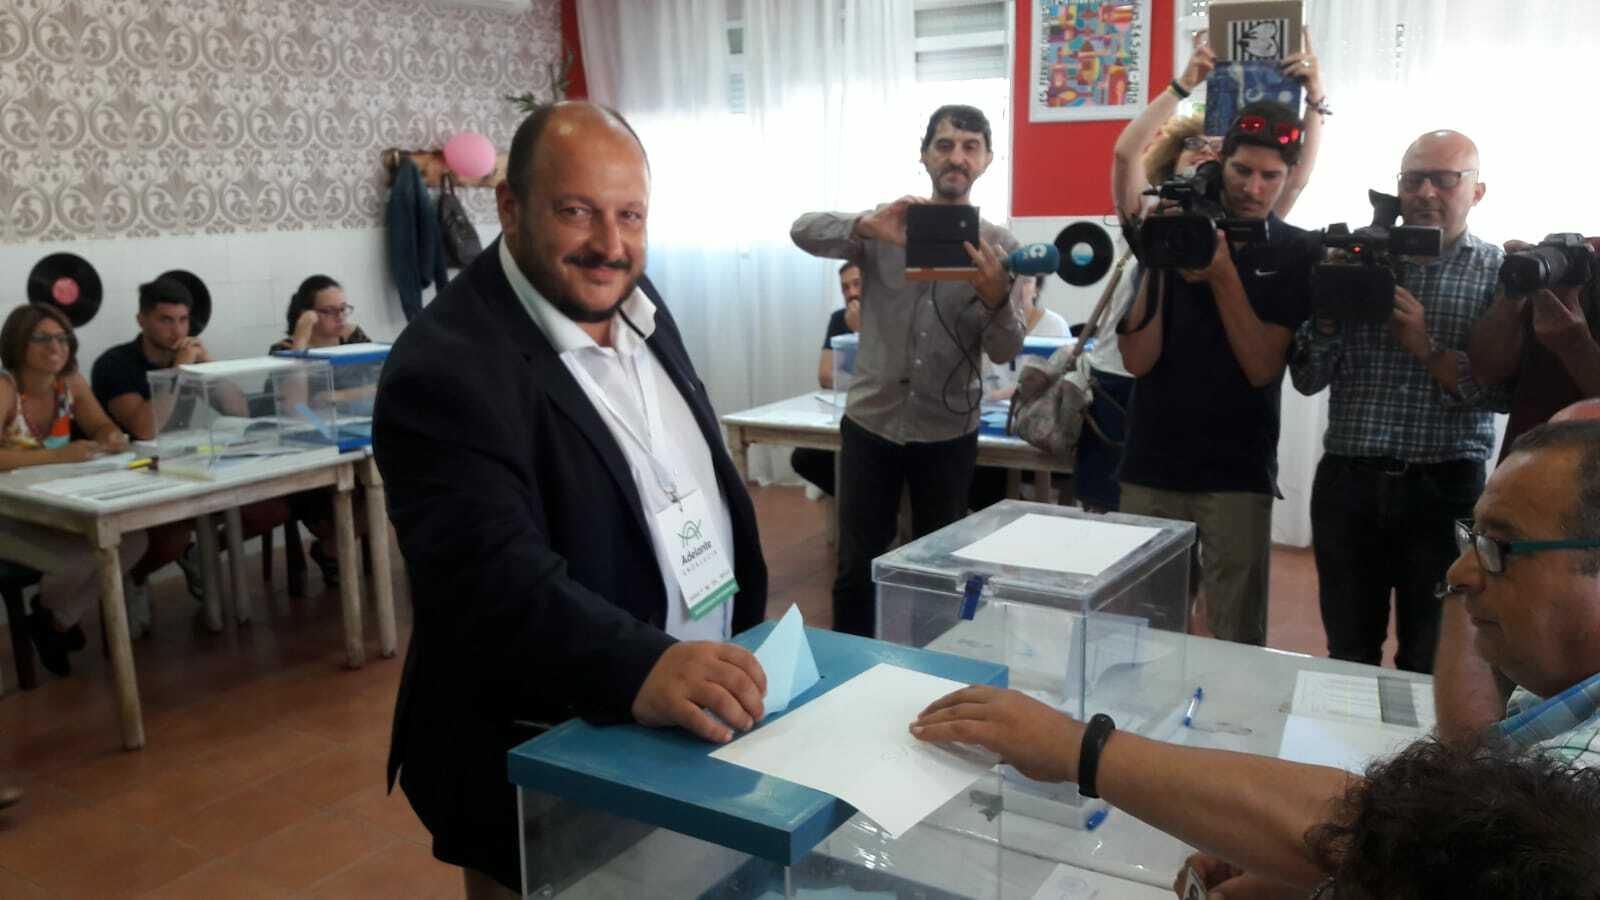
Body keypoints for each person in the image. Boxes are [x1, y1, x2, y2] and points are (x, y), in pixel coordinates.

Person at [910, 420, 1600, 897]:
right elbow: (1457, 811)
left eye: (1500, 548)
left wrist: (1076, 750)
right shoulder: (1558, 690)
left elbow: (1391, 829)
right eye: (1472, 537)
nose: (1459, 575)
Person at [373, 102, 769, 898]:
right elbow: (488, 583)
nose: (610, 244)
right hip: (545, 752)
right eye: (577, 211)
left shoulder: (634, 300)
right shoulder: (445, 367)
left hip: (675, 724)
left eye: (630, 215)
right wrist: (646, 662)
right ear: (510, 206)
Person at [792, 104, 1025, 637]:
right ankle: (846, 671)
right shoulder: (885, 223)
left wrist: (996, 299)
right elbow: (801, 231)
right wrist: (866, 226)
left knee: (941, 566)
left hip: (948, 430)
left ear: (987, 160)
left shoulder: (1000, 247)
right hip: (873, 422)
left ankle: (928, 676)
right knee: (856, 565)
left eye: (970, 147)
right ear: (924, 156)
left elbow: (1006, 344)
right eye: (944, 145)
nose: (956, 157)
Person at [1290, 131, 1506, 674]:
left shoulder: (1498, 274)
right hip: (1349, 485)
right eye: (1413, 179)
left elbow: (1499, 393)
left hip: (1445, 489)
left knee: (1433, 655)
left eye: (1445, 179)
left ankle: (1420, 763)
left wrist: (1426, 347)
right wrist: (1332, 303)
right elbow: (1308, 377)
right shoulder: (1360, 260)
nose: (1426, 192)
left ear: (1477, 191)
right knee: (1348, 652)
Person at [1090, 39, 1324, 515]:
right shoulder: (1155, 220)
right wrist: (1184, 83)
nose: (1250, 185)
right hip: (1153, 445)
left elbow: (1293, 175)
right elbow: (1124, 156)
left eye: (1212, 154)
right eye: (1195, 151)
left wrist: (1316, 100)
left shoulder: (1258, 226)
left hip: (1235, 456)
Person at [1114, 101, 1316, 647]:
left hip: (1236, 470)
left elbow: (1262, 367)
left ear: (1290, 177)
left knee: (1234, 636)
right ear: (1219, 163)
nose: (1254, 188)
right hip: (1152, 461)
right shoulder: (1176, 230)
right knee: (1141, 632)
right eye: (1241, 170)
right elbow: (1137, 360)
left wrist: (1223, 274)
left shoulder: (1295, 251)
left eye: (1270, 176)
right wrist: (1157, 255)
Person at [91, 277, 287, 620]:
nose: (176, 330)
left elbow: (238, 409)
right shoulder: (116, 363)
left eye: (182, 320)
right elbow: (144, 427)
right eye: (165, 320)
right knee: (173, 537)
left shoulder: (188, 358)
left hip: (183, 460)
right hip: (130, 470)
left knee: (268, 510)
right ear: (142, 320)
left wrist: (207, 368)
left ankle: (201, 556)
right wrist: (179, 370)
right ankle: (132, 578)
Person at [0, 303, 147, 676]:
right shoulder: (5, 388)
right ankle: (53, 622)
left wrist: (111, 437)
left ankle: (53, 622)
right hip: (11, 516)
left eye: (62, 338)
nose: (56, 347)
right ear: (18, 344)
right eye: (42, 339)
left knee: (133, 541)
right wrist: (62, 455)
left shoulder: (71, 383)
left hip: (60, 503)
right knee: (86, 556)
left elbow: (99, 424)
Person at [269, 275, 372, 586]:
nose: (340, 318)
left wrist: (337, 397)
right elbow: (294, 407)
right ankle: (331, 547)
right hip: (308, 452)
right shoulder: (284, 349)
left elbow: (381, 384)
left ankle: (330, 550)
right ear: (307, 314)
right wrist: (301, 341)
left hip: (356, 442)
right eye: (330, 311)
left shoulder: (353, 341)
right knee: (340, 496)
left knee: (389, 486)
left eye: (344, 309)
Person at [1468, 236, 1599, 458]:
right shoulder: (1582, 257)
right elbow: (1484, 373)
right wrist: (1514, 293)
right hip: (1524, 465)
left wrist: (1575, 346)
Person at [790, 261, 861, 497]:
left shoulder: (893, 317)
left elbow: (894, 377)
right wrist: (865, 381)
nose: (851, 292)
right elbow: (825, 375)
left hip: (882, 419)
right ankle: (859, 504)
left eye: (857, 284)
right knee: (803, 458)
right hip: (845, 411)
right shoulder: (839, 318)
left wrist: (862, 329)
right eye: (844, 287)